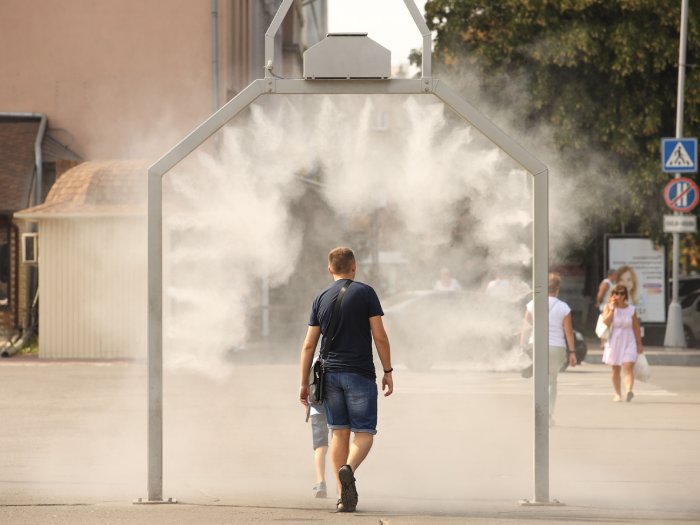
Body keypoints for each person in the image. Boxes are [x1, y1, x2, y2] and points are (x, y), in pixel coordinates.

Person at [299, 246, 393, 513]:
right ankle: (348, 469)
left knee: (338, 432)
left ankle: (343, 498)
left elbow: (308, 345)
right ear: (354, 266)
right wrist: (388, 370)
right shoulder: (366, 293)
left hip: (329, 376)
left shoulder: (320, 298)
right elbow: (380, 336)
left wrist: (304, 382)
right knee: (364, 433)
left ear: (330, 269)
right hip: (360, 374)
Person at [519, 273, 577, 427]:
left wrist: (521, 346)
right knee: (551, 381)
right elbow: (568, 332)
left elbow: (525, 327)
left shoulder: (532, 304)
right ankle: (548, 415)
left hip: (535, 345)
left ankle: (538, 413)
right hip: (556, 347)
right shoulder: (563, 307)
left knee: (539, 381)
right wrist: (572, 352)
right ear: (557, 288)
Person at [601, 284, 644, 402]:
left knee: (628, 366)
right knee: (615, 368)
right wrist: (613, 309)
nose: (618, 296)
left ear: (625, 295)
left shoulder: (631, 309)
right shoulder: (608, 307)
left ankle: (629, 390)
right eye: (616, 293)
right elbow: (605, 322)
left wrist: (639, 344)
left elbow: (636, 327)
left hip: (629, 339)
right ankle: (617, 394)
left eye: (621, 293)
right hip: (614, 339)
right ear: (612, 295)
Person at [308, 401, 329, 498]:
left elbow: (306, 386)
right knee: (340, 441)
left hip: (318, 408)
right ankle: (340, 483)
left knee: (320, 446)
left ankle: (321, 482)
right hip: (339, 408)